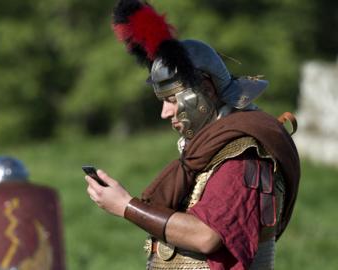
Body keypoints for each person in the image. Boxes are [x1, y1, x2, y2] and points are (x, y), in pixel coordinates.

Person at [85, 0, 300, 269]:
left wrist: (126, 206)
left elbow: (206, 235)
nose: (165, 112)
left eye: (172, 100)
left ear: (206, 90)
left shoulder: (242, 154)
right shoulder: (211, 148)